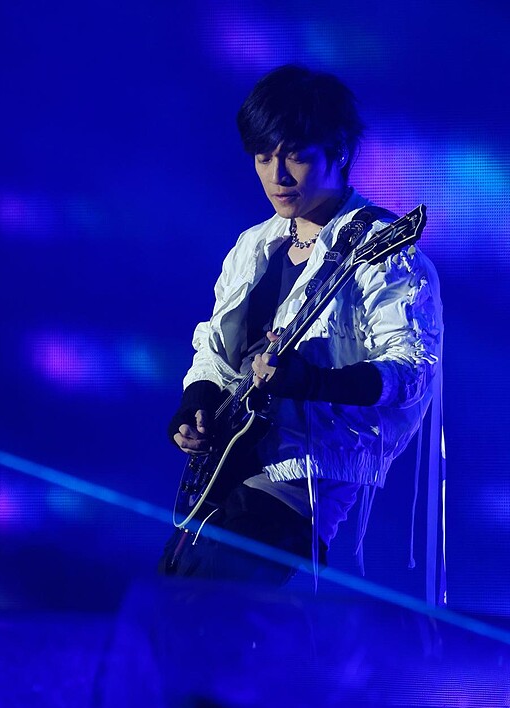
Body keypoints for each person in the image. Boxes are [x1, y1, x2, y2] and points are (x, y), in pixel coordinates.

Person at [162, 64, 442, 584]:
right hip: (226, 468)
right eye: (263, 157)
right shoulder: (253, 246)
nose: (278, 176)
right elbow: (215, 352)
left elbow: (411, 371)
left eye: (296, 155)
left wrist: (310, 381)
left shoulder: (385, 253)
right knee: (169, 605)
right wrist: (195, 405)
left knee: (214, 605)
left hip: (303, 479)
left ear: (339, 151)